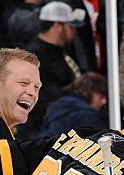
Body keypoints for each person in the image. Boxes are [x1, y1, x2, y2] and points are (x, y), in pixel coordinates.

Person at [21, 1, 85, 136]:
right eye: (70, 27)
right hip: (45, 129)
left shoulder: (62, 51)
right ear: (57, 26)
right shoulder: (33, 58)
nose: (74, 32)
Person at [41, 72, 107, 135]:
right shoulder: (88, 115)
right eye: (101, 96)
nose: (104, 101)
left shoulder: (54, 108)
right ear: (90, 92)